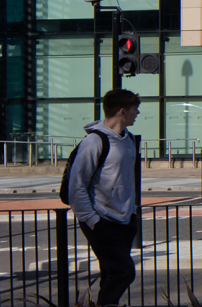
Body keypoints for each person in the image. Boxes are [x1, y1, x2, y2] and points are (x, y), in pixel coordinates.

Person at [68, 89, 141, 307]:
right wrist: (92, 220)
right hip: (101, 219)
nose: (137, 113)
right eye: (134, 108)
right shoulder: (94, 142)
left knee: (111, 273)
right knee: (124, 272)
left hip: (124, 220)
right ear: (122, 111)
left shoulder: (128, 140)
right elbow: (76, 185)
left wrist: (132, 215)